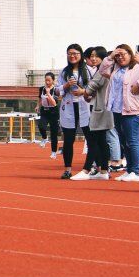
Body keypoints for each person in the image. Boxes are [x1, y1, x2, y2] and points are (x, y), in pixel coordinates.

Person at [102, 45, 139, 183]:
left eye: (123, 54)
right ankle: (129, 170)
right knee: (124, 141)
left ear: (131, 54)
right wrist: (110, 57)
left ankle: (136, 172)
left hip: (132, 109)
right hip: (117, 109)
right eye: (117, 55)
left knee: (132, 141)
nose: (120, 57)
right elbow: (102, 70)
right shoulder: (115, 69)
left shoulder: (138, 67)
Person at [75, 48, 112, 181]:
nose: (94, 59)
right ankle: (103, 171)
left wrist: (84, 92)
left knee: (94, 141)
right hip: (99, 107)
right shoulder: (100, 71)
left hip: (100, 109)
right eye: (92, 56)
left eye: (97, 56)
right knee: (100, 140)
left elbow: (92, 86)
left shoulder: (102, 71)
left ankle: (86, 170)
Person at [58, 44, 90, 179]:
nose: (72, 56)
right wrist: (66, 85)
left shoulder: (87, 70)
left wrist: (83, 90)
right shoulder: (64, 72)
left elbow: (93, 87)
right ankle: (67, 169)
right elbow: (57, 91)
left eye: (75, 53)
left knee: (91, 138)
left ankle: (91, 168)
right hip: (69, 107)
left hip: (85, 106)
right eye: (70, 53)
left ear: (81, 55)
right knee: (68, 139)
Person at [37, 73, 60, 158]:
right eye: (46, 80)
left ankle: (53, 152)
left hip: (53, 112)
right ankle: (44, 137)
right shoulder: (41, 89)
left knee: (53, 133)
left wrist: (48, 94)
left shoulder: (56, 90)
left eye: (49, 80)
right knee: (41, 126)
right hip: (44, 111)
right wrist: (38, 106)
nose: (47, 82)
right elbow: (39, 98)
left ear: (53, 80)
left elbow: (54, 103)